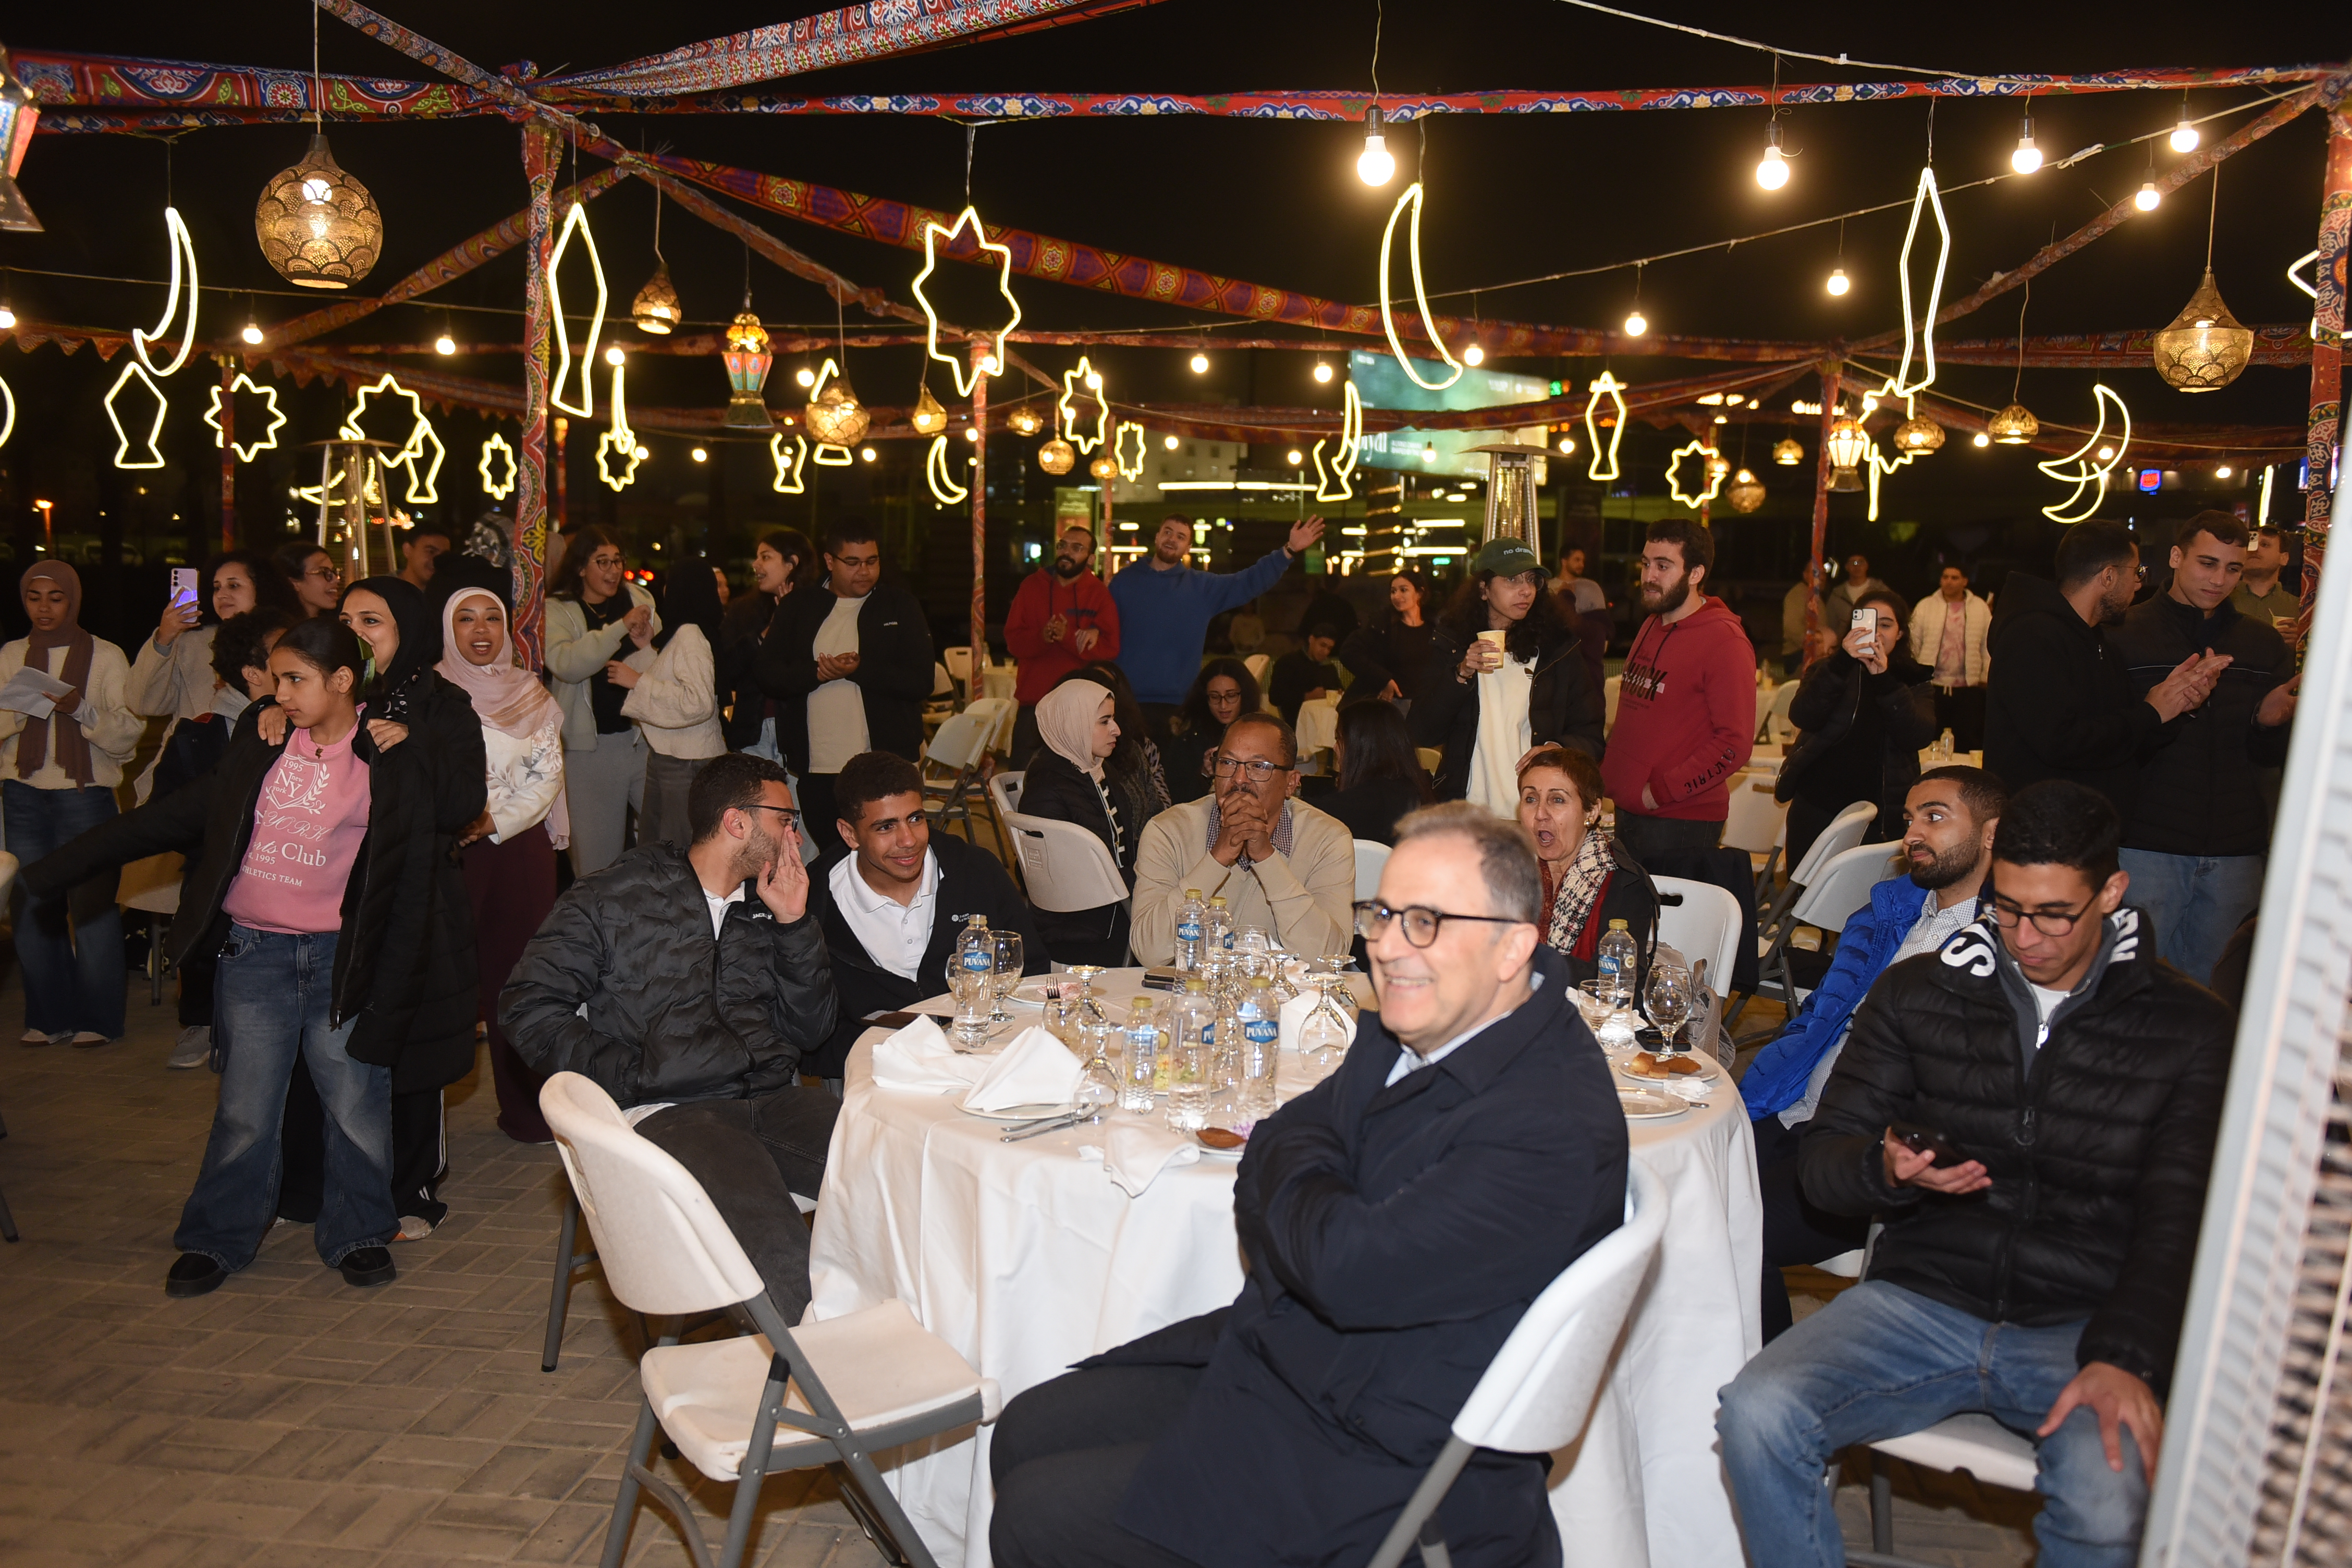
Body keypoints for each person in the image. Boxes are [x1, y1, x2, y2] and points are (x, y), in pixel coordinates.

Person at [989, 803, 1628, 1568]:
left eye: (1425, 922)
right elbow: (1280, 1141)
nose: (1387, 947)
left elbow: (1338, 1262)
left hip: (1394, 1451)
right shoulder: (1426, 1020)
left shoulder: (1547, 1123)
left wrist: (1303, 1190)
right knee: (1025, 1428)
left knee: (1039, 1513)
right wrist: (1316, 1192)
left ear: (1512, 946)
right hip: (1308, 1363)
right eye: (1383, 914)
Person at [1717, 780, 2233, 1568]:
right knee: (1757, 1413)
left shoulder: (2184, 1028)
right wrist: (1883, 1169)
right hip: (1921, 1299)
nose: (2027, 937)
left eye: (2055, 914)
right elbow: (1826, 1158)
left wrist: (2128, 1355)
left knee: (2107, 1500)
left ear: (2112, 893)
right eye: (2010, 909)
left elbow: (2183, 1221)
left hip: (2083, 1326)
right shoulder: (1924, 992)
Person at [23, 616, 485, 1295]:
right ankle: (217, 1238)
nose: (279, 693)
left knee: (355, 1104)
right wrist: (51, 872)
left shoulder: (387, 753)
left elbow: (451, 822)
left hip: (341, 960)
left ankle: (359, 1232)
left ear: (342, 680)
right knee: (246, 1109)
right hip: (255, 953)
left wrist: (416, 744)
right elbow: (166, 819)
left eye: (295, 679)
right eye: (276, 680)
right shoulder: (263, 743)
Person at [501, 753, 842, 1319]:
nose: (796, 836)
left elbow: (812, 1029)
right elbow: (528, 1008)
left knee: (897, 1174)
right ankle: (821, 1364)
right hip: (673, 1110)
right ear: (737, 822)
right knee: (772, 1240)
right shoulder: (615, 897)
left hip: (772, 1100)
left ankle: (919, 1338)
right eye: (786, 819)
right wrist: (637, 1073)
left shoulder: (772, 901)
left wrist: (793, 924)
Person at [1739, 765, 2006, 1341]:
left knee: (1734, 1235)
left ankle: (1771, 1380)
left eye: (1935, 817)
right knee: (1663, 1193)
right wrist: (1766, 1082)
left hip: (1867, 1150)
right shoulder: (1889, 913)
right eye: (1910, 819)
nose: (1913, 834)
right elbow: (1817, 1017)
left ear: (1991, 833)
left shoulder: (2002, 946)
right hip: (1794, 1110)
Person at [304, 576, 487, 1238]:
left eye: (372, 621)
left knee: (412, 1048)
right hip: (327, 897)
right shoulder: (323, 696)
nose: (354, 633)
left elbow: (464, 804)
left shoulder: (443, 706)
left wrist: (414, 741)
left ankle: (410, 1187)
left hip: (416, 900)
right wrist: (267, 712)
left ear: (407, 629)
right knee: (330, 1044)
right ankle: (323, 1181)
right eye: (345, 619)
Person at [2106, 512, 2296, 984]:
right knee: (2125, 990)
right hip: (2145, 844)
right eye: (2207, 564)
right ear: (2176, 557)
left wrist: (2267, 722)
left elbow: (2269, 758)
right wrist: (2160, 709)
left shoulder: (2262, 644)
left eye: (2233, 569)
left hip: (2236, 851)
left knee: (2216, 997)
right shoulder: (2122, 634)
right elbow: (2105, 742)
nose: (2219, 580)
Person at [807, 751, 1044, 1079]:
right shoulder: (813, 902)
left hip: (986, 1055)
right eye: (886, 827)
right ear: (850, 834)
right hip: (876, 1068)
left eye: (916, 819)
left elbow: (1031, 970)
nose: (908, 840)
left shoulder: (976, 872)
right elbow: (813, 1031)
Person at [1983, 518, 2225, 819]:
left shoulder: (2098, 641)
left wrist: (2176, 704)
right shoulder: (2033, 636)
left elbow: (2123, 746)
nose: (2139, 583)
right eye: (2137, 572)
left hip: (2090, 827)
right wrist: (2151, 712)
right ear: (2109, 577)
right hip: (2043, 829)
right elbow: (2062, 742)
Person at [438, 586, 567, 1144]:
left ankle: (528, 1113)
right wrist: (459, 818)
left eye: (492, 618)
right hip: (447, 848)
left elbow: (547, 775)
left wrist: (492, 820)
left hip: (517, 848)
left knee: (518, 980)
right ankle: (421, 1122)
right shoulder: (431, 693)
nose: (481, 629)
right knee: (443, 976)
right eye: (466, 619)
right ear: (449, 630)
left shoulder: (529, 691)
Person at [2, 562, 142, 1047]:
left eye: (55, 597)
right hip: (22, 792)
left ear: (73, 600)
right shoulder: (11, 654)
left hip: (87, 795)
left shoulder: (106, 655)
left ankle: (99, 1019)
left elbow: (129, 734)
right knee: (31, 908)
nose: (44, 607)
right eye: (34, 597)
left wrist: (80, 709)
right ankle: (48, 1016)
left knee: (93, 908)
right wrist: (23, 710)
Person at [154, 607, 300, 1070]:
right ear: (254, 673)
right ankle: (202, 1023)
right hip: (218, 885)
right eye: (283, 653)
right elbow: (167, 815)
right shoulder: (199, 734)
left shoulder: (308, 729)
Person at [757, 519, 935, 859]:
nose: (864, 571)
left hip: (886, 763)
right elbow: (768, 674)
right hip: (818, 765)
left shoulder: (900, 605)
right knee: (834, 857)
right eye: (853, 562)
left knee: (888, 855)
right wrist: (817, 673)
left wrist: (860, 670)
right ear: (830, 561)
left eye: (872, 561)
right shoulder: (799, 606)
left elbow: (920, 681)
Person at [1130, 712, 1355, 964]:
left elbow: (1328, 959)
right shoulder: (1169, 831)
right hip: (1196, 986)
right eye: (1227, 763)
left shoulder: (1327, 838)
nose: (1239, 779)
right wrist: (1218, 858)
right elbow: (1149, 953)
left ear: (1291, 783)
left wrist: (1266, 858)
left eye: (1258, 767)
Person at [1600, 519, 1756, 865]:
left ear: (1696, 573)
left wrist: (1659, 793)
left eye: (1663, 566)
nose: (1649, 576)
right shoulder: (1652, 624)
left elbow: (1734, 743)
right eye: (1646, 564)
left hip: (1680, 820)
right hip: (1631, 808)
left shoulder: (1725, 641)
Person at [1414, 536, 1604, 814]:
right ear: (1484, 589)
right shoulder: (1453, 646)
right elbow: (1422, 731)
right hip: (1468, 811)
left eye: (1531, 580)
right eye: (1512, 580)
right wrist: (1461, 674)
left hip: (1538, 814)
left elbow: (1591, 734)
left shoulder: (1557, 650)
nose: (1525, 590)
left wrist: (1556, 749)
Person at [1109, 513, 1326, 733]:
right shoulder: (1124, 582)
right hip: (1125, 701)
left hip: (1178, 706)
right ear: (1157, 537)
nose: (1172, 539)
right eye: (1168, 532)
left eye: (1181, 537)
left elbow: (1249, 582)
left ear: (1188, 548)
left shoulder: (1201, 588)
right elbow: (1104, 629)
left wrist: (1289, 550)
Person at [1777, 587, 1937, 867]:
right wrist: (1841, 663)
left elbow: (1917, 735)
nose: (1876, 633)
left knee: (1870, 891)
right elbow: (1803, 716)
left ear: (1900, 633)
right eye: (1867, 622)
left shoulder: (1914, 680)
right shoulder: (1829, 669)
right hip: (1817, 806)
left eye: (1885, 625)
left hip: (1882, 814)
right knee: (1807, 890)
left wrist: (1885, 680)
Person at [544, 527, 660, 877]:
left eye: (618, 561)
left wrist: (647, 640)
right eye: (602, 562)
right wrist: (619, 628)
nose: (613, 571)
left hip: (642, 743)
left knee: (668, 845)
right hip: (589, 753)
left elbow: (660, 661)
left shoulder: (639, 599)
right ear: (581, 568)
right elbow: (567, 665)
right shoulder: (558, 609)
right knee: (597, 863)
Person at [1018, 679, 1141, 965]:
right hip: (1084, 926)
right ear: (1073, 725)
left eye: (1113, 719)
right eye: (1104, 721)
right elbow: (1053, 876)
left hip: (1112, 905)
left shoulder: (1098, 770)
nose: (1117, 730)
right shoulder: (1047, 787)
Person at [126, 548, 306, 743]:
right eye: (217, 588)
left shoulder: (291, 640)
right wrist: (164, 639)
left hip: (267, 749)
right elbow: (142, 704)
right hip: (193, 755)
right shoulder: (190, 642)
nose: (222, 595)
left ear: (263, 588)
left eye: (234, 586)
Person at [1516, 744, 1656, 993]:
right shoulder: (1511, 872)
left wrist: (1529, 958)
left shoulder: (1625, 885)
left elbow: (1619, 986)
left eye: (1557, 800)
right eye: (1531, 799)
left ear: (1591, 811)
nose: (1540, 814)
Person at [609, 560, 725, 849]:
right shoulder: (687, 633)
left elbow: (698, 702)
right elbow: (675, 681)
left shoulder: (690, 635)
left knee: (675, 852)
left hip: (686, 763)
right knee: (659, 848)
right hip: (674, 757)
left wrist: (638, 682)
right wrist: (647, 650)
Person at [1006, 523, 1122, 765]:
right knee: (1021, 777)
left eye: (1077, 548)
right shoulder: (1031, 586)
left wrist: (1068, 637)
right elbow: (1013, 642)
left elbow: (1110, 649)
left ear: (1091, 558)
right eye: (1063, 546)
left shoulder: (1099, 594)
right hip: (1034, 705)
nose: (1067, 552)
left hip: (1080, 712)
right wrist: (1043, 638)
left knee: (1074, 780)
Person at [717, 528, 816, 760]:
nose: (756, 565)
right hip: (753, 734)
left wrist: (791, 619)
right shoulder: (745, 611)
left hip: (800, 735)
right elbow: (725, 671)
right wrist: (766, 633)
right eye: (757, 557)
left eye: (766, 557)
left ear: (792, 564)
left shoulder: (818, 608)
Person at [1064, 662, 1171, 838]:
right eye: (1104, 721)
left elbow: (1160, 812)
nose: (1116, 730)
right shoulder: (1052, 771)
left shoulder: (1133, 751)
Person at [1318, 700, 1431, 846]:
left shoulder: (1366, 801)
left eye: (1339, 739)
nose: (1335, 747)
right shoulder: (1413, 785)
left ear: (1363, 745)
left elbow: (1307, 815)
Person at [1907, 563, 1992, 752]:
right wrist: (1914, 674)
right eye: (1945, 577)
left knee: (1967, 739)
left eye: (1955, 578)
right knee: (1930, 736)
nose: (1949, 582)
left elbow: (1987, 644)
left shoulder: (1980, 608)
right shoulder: (1926, 606)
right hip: (1933, 685)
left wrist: (1986, 674)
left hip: (1968, 686)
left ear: (1965, 581)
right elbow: (1914, 642)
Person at [1165, 656, 1261, 804]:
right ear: (1205, 698)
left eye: (1231, 696)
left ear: (1245, 695)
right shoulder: (1188, 736)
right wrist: (1203, 775)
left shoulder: (1262, 732)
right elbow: (1177, 797)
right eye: (1215, 697)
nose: (1223, 705)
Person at [1336, 571, 1435, 707]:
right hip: (1386, 705)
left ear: (1419, 593)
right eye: (1393, 591)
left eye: (1403, 590)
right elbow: (1349, 653)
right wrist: (1384, 680)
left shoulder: (1432, 629)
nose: (1397, 596)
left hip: (1421, 705)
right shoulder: (1382, 624)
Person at [1553, 545, 1611, 694]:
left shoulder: (1591, 588)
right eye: (1577, 560)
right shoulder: (1550, 587)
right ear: (1564, 561)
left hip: (1587, 669)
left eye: (1583, 561)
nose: (1581, 565)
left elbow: (1600, 629)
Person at [1267, 622, 1342, 725]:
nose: (1325, 652)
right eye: (1323, 645)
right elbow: (1275, 697)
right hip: (1298, 721)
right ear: (1311, 640)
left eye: (1329, 648)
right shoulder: (1288, 662)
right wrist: (1306, 696)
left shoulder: (1329, 667)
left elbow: (1338, 689)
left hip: (1325, 720)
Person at [2231, 521, 2299, 631]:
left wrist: (2301, 639)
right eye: (2250, 545)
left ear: (2284, 558)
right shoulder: (2220, 601)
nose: (2255, 549)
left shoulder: (2300, 608)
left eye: (2265, 545)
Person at [1821, 550, 1891, 631]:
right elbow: (1830, 624)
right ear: (1846, 567)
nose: (1857, 566)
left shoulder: (1879, 590)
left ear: (1867, 565)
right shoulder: (1838, 594)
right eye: (1853, 563)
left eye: (1861, 562)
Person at [1780, 561, 1826, 677]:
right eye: (1816, 573)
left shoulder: (1815, 596)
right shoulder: (1797, 595)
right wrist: (1812, 647)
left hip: (1814, 653)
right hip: (1800, 654)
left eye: (1823, 573)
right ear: (1805, 575)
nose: (1821, 577)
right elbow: (1792, 628)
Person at [276, 542, 344, 618]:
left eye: (333, 572)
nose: (336, 580)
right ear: (294, 583)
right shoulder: (279, 624)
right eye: (323, 572)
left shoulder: (338, 620)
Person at [396, 524, 452, 593]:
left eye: (444, 555)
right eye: (431, 552)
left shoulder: (448, 593)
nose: (438, 560)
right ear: (407, 550)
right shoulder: (386, 590)